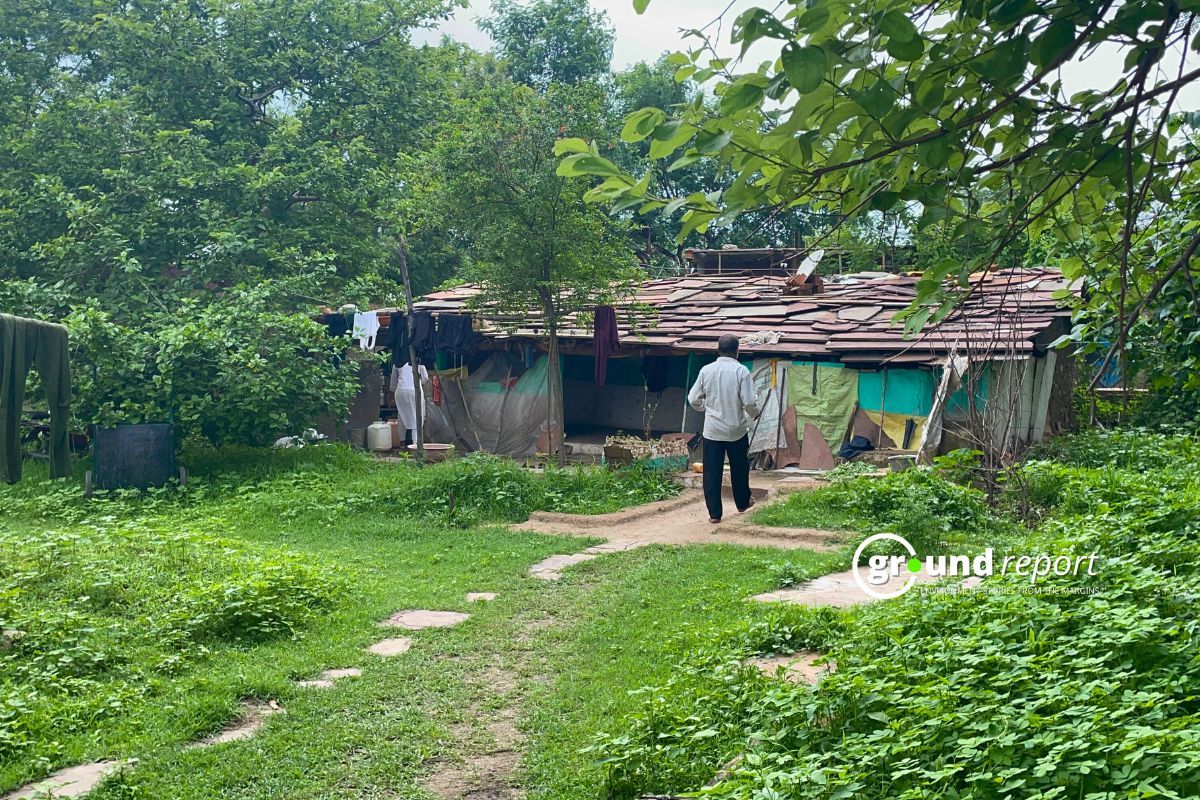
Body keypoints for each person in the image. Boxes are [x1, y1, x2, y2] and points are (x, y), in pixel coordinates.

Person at [687, 335, 761, 523]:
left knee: (711, 471)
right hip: (736, 430)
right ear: (737, 351)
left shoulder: (706, 370)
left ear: (718, 350)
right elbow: (750, 401)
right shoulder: (741, 371)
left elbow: (693, 398)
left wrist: (706, 407)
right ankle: (743, 503)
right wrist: (755, 413)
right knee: (740, 468)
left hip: (712, 430)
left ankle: (714, 514)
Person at [392, 362, 429, 444]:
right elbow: (425, 378)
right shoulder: (419, 361)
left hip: (400, 391)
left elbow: (393, 383)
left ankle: (402, 442)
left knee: (401, 415)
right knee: (416, 416)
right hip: (414, 391)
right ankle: (415, 443)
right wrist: (420, 383)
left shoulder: (398, 361)